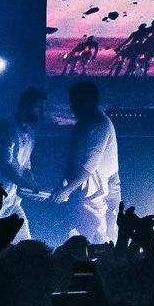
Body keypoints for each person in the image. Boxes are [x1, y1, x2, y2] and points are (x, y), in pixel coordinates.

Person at [54, 80, 119, 244]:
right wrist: (64, 185)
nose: (72, 106)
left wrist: (67, 190)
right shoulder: (80, 126)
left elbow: (90, 166)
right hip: (84, 193)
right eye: (71, 102)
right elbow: (72, 160)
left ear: (88, 101)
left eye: (75, 101)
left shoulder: (100, 125)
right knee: (81, 241)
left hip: (103, 193)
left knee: (104, 243)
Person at [0, 87, 45, 237]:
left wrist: (33, 186)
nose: (41, 112)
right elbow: (6, 166)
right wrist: (26, 185)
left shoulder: (29, 133)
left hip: (13, 202)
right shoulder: (5, 129)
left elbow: (25, 166)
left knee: (28, 246)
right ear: (26, 106)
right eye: (38, 107)